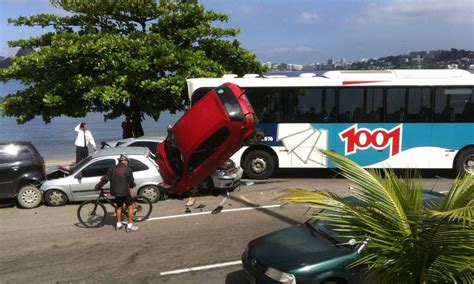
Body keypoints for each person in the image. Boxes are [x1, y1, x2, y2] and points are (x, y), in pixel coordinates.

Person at [95, 154, 138, 232]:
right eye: (127, 162)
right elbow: (131, 181)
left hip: (115, 192)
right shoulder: (128, 169)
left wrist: (98, 185)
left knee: (119, 207)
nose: (128, 163)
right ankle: (130, 226)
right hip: (125, 192)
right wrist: (132, 185)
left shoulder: (112, 168)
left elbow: (105, 179)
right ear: (124, 161)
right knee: (130, 207)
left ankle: (118, 225)